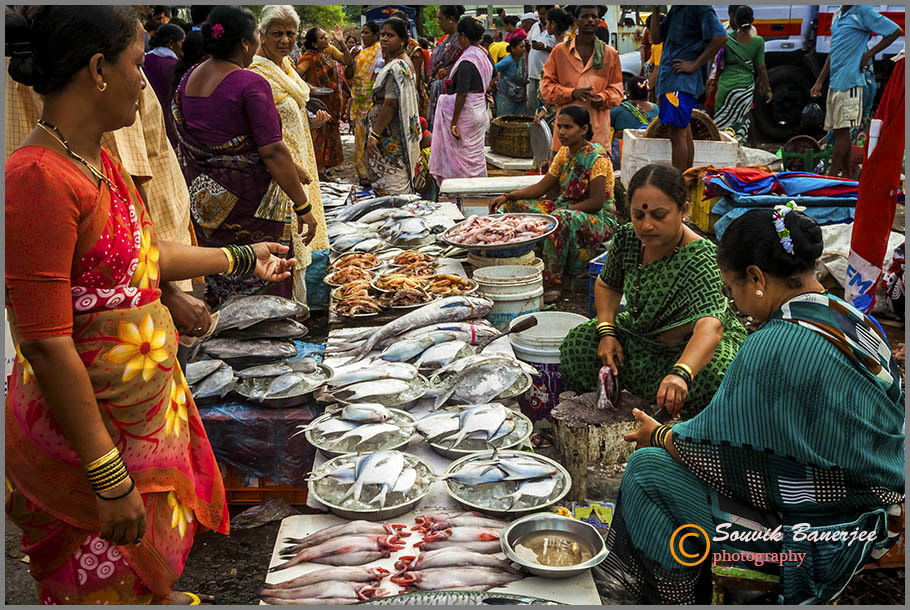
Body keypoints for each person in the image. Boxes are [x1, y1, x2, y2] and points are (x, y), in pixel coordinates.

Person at [4, 5, 295, 604]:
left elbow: (140, 257)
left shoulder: (97, 156)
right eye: (138, 63)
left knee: (144, 575)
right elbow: (43, 339)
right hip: (92, 438)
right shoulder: (36, 177)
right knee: (101, 584)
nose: (147, 78)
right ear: (98, 70)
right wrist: (107, 474)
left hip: (140, 419)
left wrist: (241, 257)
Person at [603, 207, 905, 604]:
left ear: (757, 278)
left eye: (733, 289)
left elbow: (712, 453)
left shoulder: (773, 344)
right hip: (884, 495)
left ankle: (675, 597)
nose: (735, 303)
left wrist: (657, 434)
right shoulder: (850, 317)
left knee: (647, 472)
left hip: (834, 527)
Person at [559, 164, 746, 418]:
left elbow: (710, 326)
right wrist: (607, 332)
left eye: (659, 216)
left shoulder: (700, 258)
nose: (646, 226)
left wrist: (681, 373)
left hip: (690, 350)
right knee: (578, 344)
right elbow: (607, 284)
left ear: (684, 211)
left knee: (717, 378)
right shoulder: (628, 239)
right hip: (640, 338)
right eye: (639, 216)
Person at [173, 5, 318, 309]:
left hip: (206, 203)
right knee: (263, 274)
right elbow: (272, 150)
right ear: (244, 43)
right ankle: (263, 343)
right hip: (251, 208)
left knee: (221, 266)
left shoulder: (189, 78)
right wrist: (302, 205)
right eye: (256, 36)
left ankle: (224, 332)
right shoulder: (250, 84)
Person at [248, 5, 332, 306]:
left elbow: (287, 117)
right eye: (277, 33)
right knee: (287, 244)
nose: (285, 40)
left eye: (290, 33)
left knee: (301, 243)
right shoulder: (256, 75)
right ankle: (287, 311)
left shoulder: (286, 69)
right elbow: (259, 133)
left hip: (299, 164)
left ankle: (302, 307)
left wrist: (311, 122)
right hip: (279, 172)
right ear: (262, 34)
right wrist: (291, 166)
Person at [490, 106, 618, 303]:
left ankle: (552, 281)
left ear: (583, 129)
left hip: (597, 218)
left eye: (568, 127)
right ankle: (526, 261)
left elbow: (596, 202)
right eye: (559, 127)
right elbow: (542, 187)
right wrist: (508, 197)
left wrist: (564, 210)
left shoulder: (597, 157)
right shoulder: (564, 153)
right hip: (565, 208)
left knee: (558, 218)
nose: (562, 132)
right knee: (516, 208)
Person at [810, 5, 901, 177]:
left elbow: (895, 31)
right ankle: (847, 177)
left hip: (851, 81)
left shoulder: (862, 11)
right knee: (839, 133)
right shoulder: (837, 16)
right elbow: (833, 51)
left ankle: (831, 176)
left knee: (843, 132)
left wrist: (868, 55)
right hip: (835, 82)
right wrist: (820, 81)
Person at [649, 5, 727, 172]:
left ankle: (679, 183)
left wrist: (694, 64)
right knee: (683, 130)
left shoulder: (698, 7)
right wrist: (655, 10)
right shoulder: (677, 8)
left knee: (677, 133)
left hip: (679, 81)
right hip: (672, 79)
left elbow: (720, 37)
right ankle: (686, 180)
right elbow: (656, 38)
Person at [541, 6, 623, 155]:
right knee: (562, 176)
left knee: (597, 177)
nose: (590, 20)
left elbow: (617, 90)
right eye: (585, 16)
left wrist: (603, 97)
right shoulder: (560, 52)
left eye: (594, 16)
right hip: (565, 137)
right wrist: (572, 93)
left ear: (599, 21)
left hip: (597, 136)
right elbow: (546, 88)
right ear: (576, 20)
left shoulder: (610, 54)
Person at [429, 16, 493, 186]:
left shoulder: (467, 61)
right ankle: (478, 189)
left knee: (460, 161)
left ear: (463, 36)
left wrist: (454, 121)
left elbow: (462, 93)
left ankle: (462, 191)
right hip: (479, 110)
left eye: (459, 37)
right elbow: (492, 77)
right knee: (475, 157)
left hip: (467, 114)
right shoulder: (484, 55)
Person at [364, 17, 422, 195]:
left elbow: (390, 104)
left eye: (390, 35)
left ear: (403, 40)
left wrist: (375, 134)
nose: (384, 39)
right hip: (391, 131)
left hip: (389, 133)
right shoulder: (399, 62)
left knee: (393, 181)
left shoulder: (397, 66)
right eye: (382, 34)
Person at [297, 25, 353, 180]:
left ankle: (324, 168)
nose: (326, 38)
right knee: (319, 137)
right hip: (319, 105)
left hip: (332, 103)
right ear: (314, 44)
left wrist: (341, 42)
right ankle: (318, 171)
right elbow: (297, 73)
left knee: (329, 136)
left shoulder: (326, 54)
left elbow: (347, 60)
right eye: (322, 37)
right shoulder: (309, 58)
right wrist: (308, 87)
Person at [712, 7, 772, 143]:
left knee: (721, 124)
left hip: (725, 87)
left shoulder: (725, 39)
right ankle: (740, 152)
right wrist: (767, 88)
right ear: (752, 21)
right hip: (744, 88)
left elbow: (720, 65)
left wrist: (714, 82)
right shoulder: (758, 42)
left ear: (735, 21)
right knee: (741, 124)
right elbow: (761, 67)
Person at [347, 21, 383, 187]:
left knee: (374, 137)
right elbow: (349, 75)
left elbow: (377, 77)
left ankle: (376, 172)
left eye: (366, 33)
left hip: (374, 100)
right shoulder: (358, 53)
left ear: (376, 35)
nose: (363, 36)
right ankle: (363, 173)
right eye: (362, 32)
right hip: (359, 100)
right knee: (359, 138)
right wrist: (351, 59)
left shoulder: (380, 52)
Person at [144, 23, 185, 149]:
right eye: (182, 42)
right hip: (168, 121)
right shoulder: (175, 66)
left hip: (146, 118)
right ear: (171, 43)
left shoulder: (144, 59)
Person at [427, 5, 465, 131]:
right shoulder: (446, 39)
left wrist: (445, 72)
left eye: (440, 19)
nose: (438, 23)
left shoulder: (461, 40)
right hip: (439, 86)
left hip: (451, 90)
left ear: (451, 19)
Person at [609, 77, 658, 169]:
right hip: (649, 154)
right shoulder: (656, 109)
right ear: (647, 92)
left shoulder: (618, 110)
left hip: (622, 155)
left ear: (628, 93)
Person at [389, 10, 430, 120]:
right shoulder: (389, 45)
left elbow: (415, 78)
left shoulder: (414, 47)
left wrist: (410, 99)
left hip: (409, 94)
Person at [526, 5, 555, 117]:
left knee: (544, 106)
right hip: (532, 74)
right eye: (539, 13)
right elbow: (528, 44)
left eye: (543, 13)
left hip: (546, 75)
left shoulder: (556, 29)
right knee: (531, 105)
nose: (540, 16)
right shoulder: (535, 26)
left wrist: (544, 47)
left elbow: (562, 52)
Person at [494, 37, 529, 117]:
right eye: (521, 47)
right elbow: (493, 69)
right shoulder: (507, 61)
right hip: (506, 97)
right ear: (513, 48)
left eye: (524, 47)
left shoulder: (523, 59)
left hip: (520, 96)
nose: (524, 49)